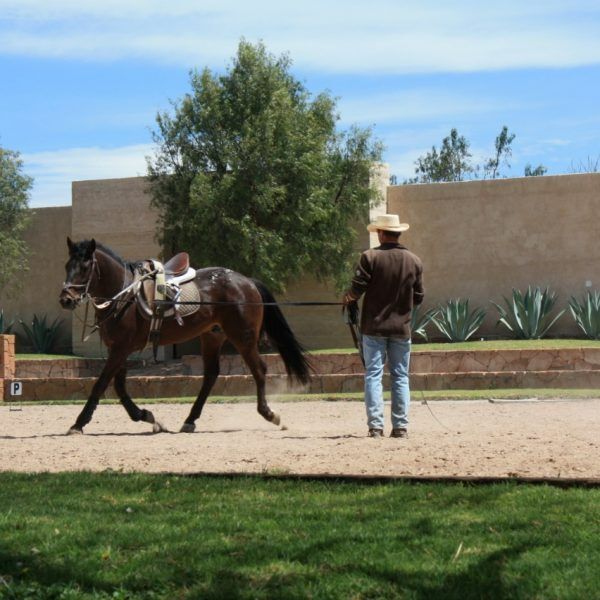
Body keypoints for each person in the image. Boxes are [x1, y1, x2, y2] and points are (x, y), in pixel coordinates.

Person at [343, 213, 424, 438]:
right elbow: (418, 297)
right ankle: (400, 427)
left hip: (373, 328)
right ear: (398, 233)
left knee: (373, 375)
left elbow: (356, 290)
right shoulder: (414, 261)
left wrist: (347, 298)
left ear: (380, 233)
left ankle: (376, 427)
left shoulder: (369, 257)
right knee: (400, 376)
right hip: (401, 329)